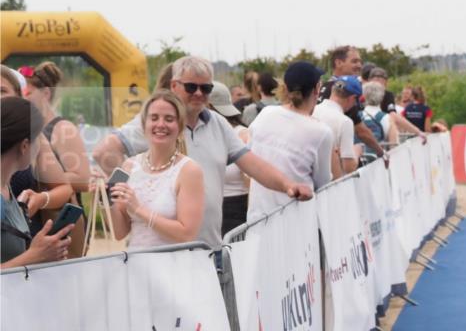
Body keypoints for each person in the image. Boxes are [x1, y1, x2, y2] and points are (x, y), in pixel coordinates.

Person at [92, 55, 313, 248]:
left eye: (206, 88)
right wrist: (129, 188)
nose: (198, 93)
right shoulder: (155, 123)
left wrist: (287, 185)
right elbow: (104, 152)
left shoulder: (217, 123)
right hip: (160, 250)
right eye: (191, 87)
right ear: (174, 86)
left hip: (207, 249)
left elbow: (251, 163)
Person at [108, 93, 205, 249]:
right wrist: (104, 200)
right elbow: (120, 233)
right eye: (154, 118)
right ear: (144, 125)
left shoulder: (189, 170)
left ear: (180, 127)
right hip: (136, 265)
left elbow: (187, 235)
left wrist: (139, 210)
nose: (160, 124)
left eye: (169, 119)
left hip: (171, 267)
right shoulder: (129, 166)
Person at [20, 62, 92, 256]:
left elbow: (83, 179)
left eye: (28, 93)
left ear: (45, 94)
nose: (22, 98)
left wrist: (43, 179)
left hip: (60, 220)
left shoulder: (62, 128)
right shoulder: (23, 129)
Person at [247, 61, 333, 219]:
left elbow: (248, 159)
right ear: (316, 89)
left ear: (285, 88)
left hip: (257, 220)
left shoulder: (266, 114)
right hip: (297, 224)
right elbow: (323, 183)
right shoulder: (321, 132)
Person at [1, 97, 74, 267]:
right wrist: (33, 256)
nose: (40, 147)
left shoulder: (7, 188)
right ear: (25, 146)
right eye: (38, 140)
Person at [209, 84, 251, 234]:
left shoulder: (242, 135)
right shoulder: (196, 136)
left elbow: (251, 179)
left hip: (237, 211)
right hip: (206, 212)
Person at [314, 78, 361, 176]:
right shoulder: (345, 122)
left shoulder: (312, 110)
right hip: (331, 183)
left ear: (332, 90)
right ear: (352, 98)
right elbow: (349, 167)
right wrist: (356, 152)